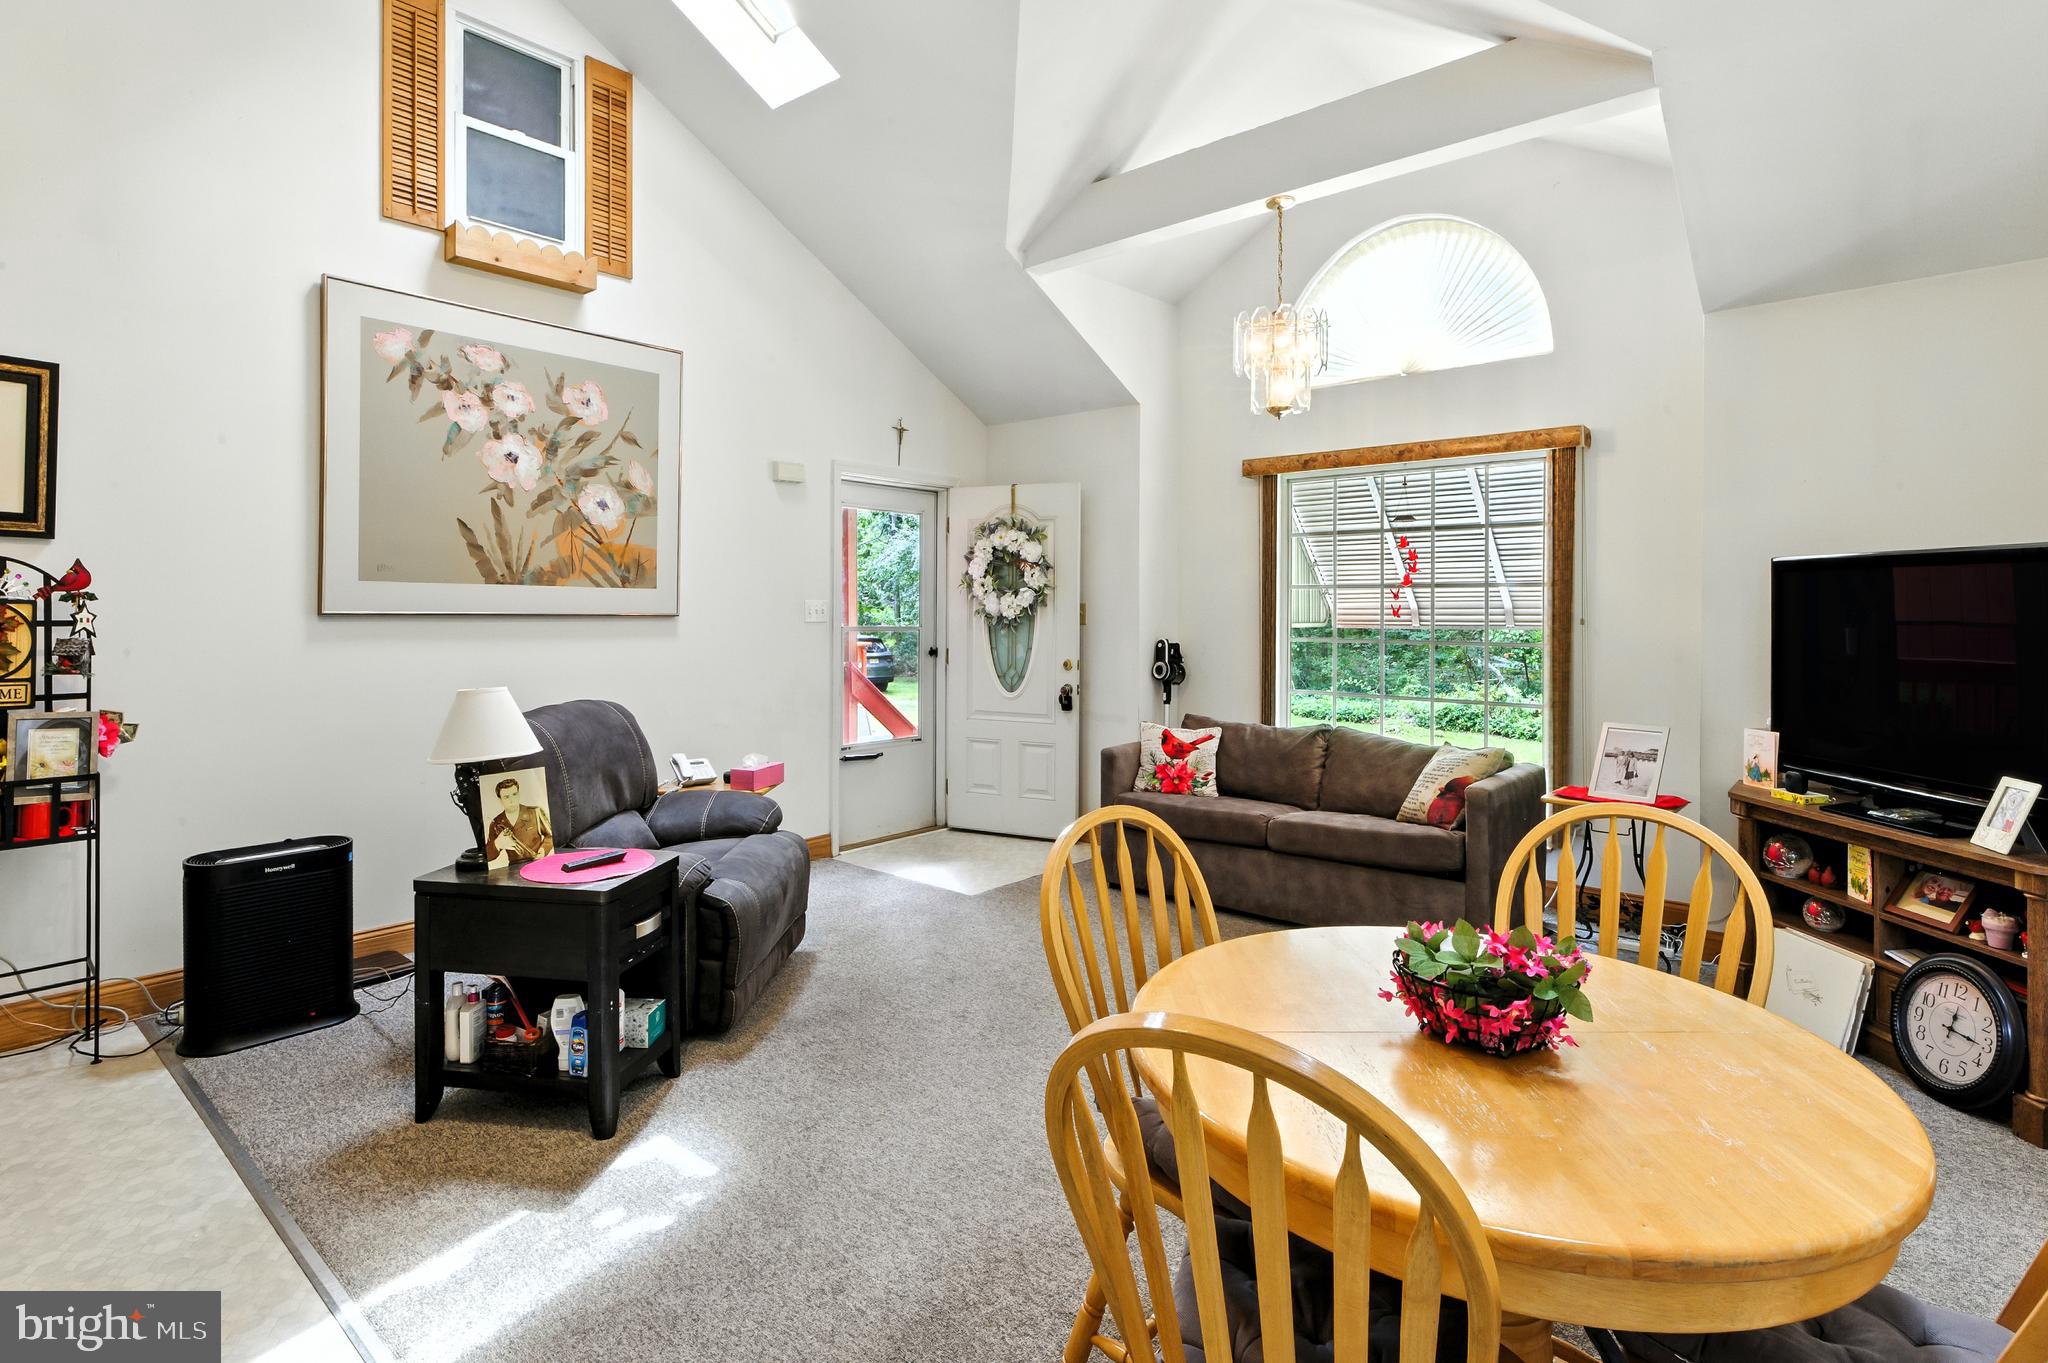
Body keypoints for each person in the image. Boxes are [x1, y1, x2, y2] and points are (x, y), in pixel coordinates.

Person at [485, 776, 553, 866]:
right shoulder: (496, 823)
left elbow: (550, 836)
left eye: (514, 794)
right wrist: (497, 844)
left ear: (519, 794)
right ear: (500, 800)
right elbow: (488, 856)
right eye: (506, 797)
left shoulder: (535, 812)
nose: (512, 800)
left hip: (538, 863)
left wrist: (543, 850)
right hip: (514, 868)